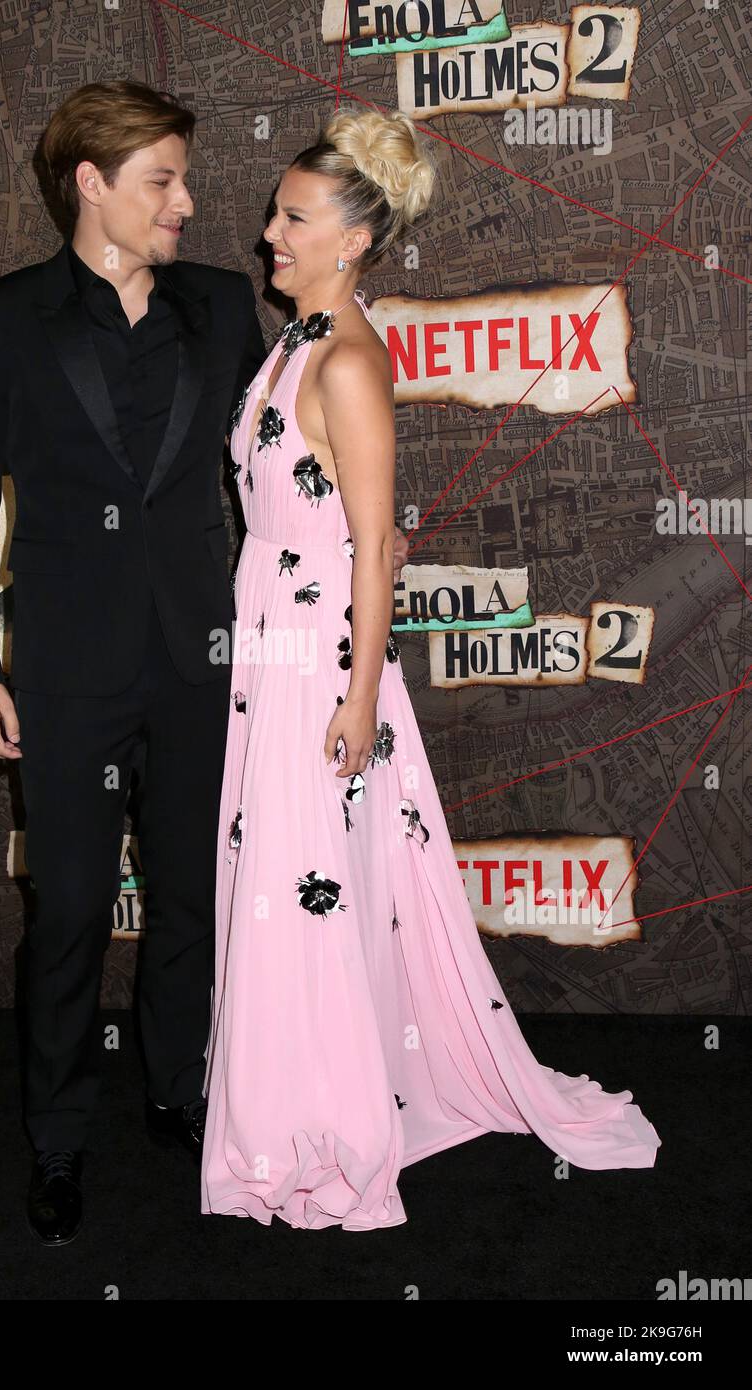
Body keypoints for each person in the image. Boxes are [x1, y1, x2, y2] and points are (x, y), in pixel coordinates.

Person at [0, 81, 409, 1247]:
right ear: (91, 186)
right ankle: (56, 1140)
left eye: (186, 179)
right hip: (62, 672)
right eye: (163, 182)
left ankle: (181, 1095)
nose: (191, 206)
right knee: (71, 914)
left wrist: (374, 537)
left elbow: (294, 458)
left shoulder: (218, 309)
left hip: (214, 663)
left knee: (198, 903)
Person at [201, 107, 661, 1231]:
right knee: (281, 886)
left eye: (294, 217)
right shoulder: (296, 341)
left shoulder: (350, 359)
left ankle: (322, 1125)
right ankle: (283, 1105)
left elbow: (370, 552)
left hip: (318, 654)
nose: (269, 230)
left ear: (353, 240)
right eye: (276, 210)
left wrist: (358, 693)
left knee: (307, 888)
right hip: (273, 637)